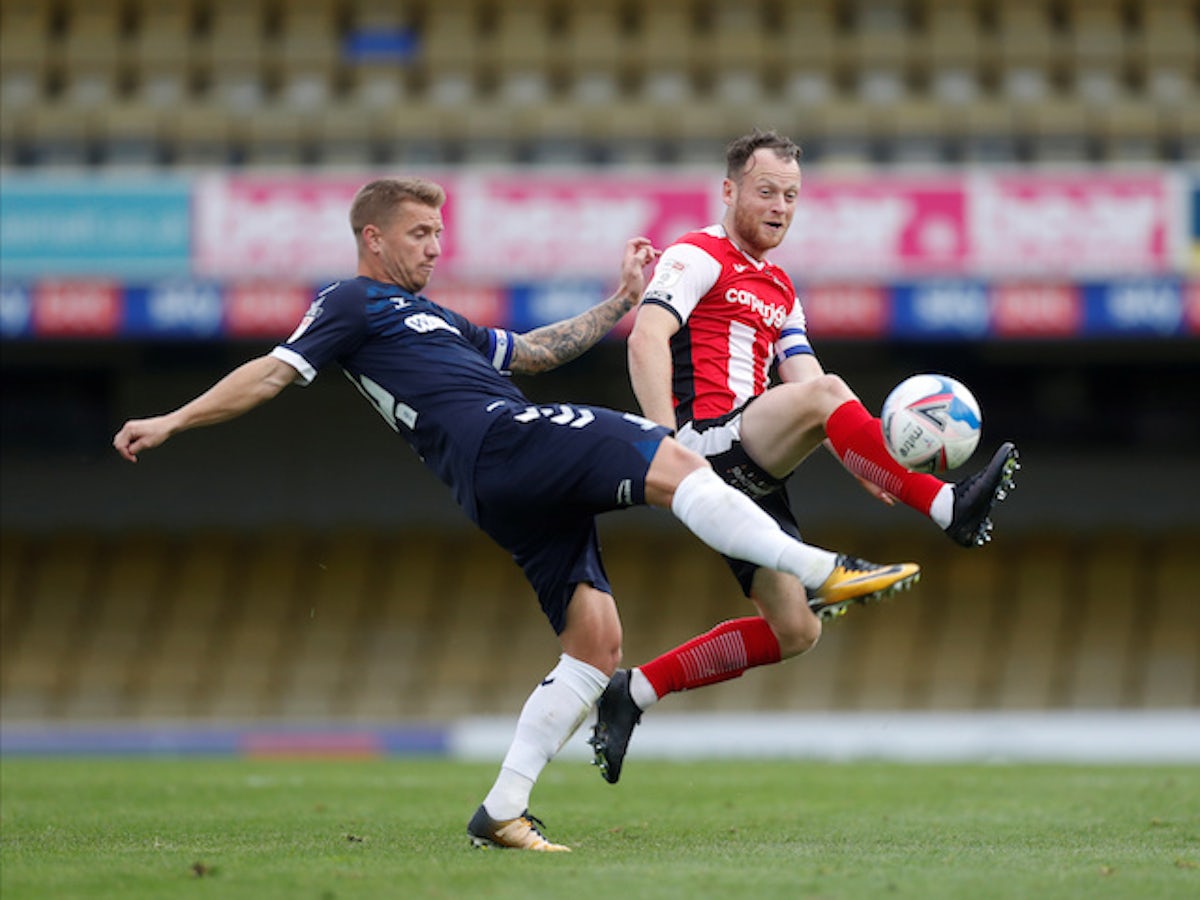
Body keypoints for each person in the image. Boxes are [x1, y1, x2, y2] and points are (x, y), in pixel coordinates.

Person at [113, 176, 919, 852]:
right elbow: (272, 372)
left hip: (499, 482)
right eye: (420, 233)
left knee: (597, 643)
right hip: (500, 443)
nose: (435, 246)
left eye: (439, 232)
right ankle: (822, 571)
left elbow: (530, 353)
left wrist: (618, 303)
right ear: (372, 238)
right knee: (666, 452)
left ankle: (501, 809)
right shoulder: (352, 303)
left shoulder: (435, 319)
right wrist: (174, 420)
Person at [589, 130, 1020, 784]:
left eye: (791, 195)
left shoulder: (782, 288)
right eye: (766, 191)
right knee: (827, 396)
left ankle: (635, 692)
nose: (781, 206)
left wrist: (877, 459)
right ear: (730, 190)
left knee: (795, 630)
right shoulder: (698, 252)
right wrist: (666, 442)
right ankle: (947, 506)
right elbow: (647, 337)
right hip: (706, 441)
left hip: (750, 463)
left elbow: (809, 381)